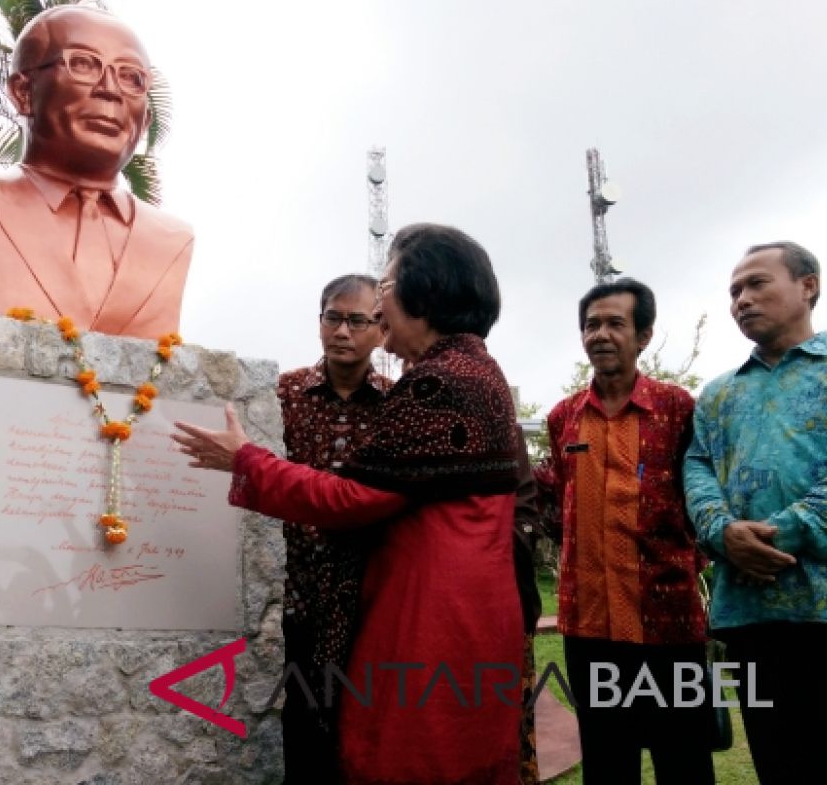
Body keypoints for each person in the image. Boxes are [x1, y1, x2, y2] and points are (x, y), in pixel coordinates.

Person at [175, 223, 523, 784]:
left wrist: (248, 462)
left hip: (429, 614)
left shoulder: (437, 383)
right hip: (459, 606)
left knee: (410, 757)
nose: (377, 305)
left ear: (424, 294)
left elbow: (349, 498)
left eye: (385, 287)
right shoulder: (476, 370)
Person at [542, 278, 713, 784]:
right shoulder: (563, 417)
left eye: (616, 323)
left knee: (683, 761)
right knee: (607, 761)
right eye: (591, 325)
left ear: (644, 335)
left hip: (667, 622)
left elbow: (701, 496)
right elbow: (557, 499)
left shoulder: (678, 408)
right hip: (589, 624)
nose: (601, 334)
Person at [0, 5, 193, 338]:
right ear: (23, 92)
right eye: (84, 64)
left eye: (131, 77)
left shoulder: (170, 238)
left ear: (145, 120)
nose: (109, 89)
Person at [683, 241, 826, 784]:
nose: (741, 299)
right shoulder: (719, 394)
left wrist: (778, 533)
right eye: (734, 291)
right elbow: (697, 468)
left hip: (820, 602)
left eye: (756, 284)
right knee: (778, 761)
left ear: (808, 285)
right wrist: (720, 532)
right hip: (748, 613)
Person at [277, 273, 391, 783]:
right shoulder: (283, 394)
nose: (343, 331)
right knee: (299, 729)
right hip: (295, 597)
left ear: (382, 330)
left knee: (365, 729)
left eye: (358, 320)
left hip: (369, 601)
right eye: (333, 317)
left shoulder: (397, 405)